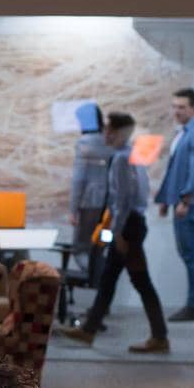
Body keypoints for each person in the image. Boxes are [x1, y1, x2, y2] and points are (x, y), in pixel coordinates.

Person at [56, 112, 169, 353]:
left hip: (127, 228)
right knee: (108, 279)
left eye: (109, 130)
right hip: (131, 225)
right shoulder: (131, 156)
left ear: (119, 133)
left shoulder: (120, 159)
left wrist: (117, 234)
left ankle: (160, 337)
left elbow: (123, 201)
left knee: (141, 281)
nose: (104, 134)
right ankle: (89, 329)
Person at [155, 87, 194, 321]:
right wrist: (166, 200)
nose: (177, 111)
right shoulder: (185, 133)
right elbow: (175, 170)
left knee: (189, 256)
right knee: (188, 254)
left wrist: (185, 200)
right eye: (175, 106)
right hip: (181, 202)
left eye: (182, 107)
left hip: (189, 203)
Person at [68, 103, 114, 271]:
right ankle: (100, 275)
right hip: (107, 201)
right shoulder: (108, 141)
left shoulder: (84, 142)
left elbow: (79, 179)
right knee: (100, 243)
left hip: (88, 201)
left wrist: (72, 209)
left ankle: (94, 276)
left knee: (80, 248)